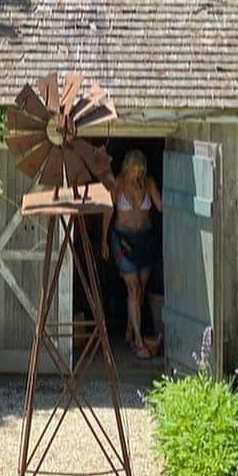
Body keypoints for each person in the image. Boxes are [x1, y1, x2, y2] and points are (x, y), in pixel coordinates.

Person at [101, 148, 162, 358]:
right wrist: (104, 240)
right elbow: (108, 211)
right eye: (133, 171)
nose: (136, 175)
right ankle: (138, 340)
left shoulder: (149, 183)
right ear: (126, 168)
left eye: (139, 171)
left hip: (145, 239)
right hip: (124, 239)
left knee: (141, 289)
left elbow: (161, 206)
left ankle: (129, 329)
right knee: (133, 288)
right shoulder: (117, 184)